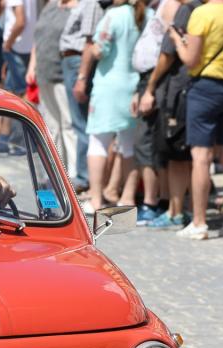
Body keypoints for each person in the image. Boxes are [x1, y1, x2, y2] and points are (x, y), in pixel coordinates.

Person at [168, 0, 223, 239]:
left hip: (205, 87)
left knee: (201, 157)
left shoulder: (202, 14)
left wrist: (177, 40)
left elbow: (191, 59)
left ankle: (199, 222)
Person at [139, 0, 200, 230]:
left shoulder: (185, 10)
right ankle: (191, 211)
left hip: (179, 88)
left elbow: (168, 54)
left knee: (177, 156)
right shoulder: (201, 9)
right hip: (194, 87)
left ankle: (176, 212)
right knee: (193, 157)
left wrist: (151, 86)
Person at [81, 0, 145, 213]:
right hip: (135, 86)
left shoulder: (113, 15)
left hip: (109, 86)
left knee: (98, 142)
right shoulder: (150, 15)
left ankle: (96, 199)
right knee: (128, 145)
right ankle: (127, 197)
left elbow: (100, 50)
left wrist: (91, 48)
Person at [29, 0, 79, 187]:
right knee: (52, 125)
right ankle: (57, 170)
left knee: (68, 125)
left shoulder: (79, 8)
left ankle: (74, 175)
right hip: (44, 73)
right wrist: (32, 65)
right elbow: (38, 37)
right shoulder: (50, 6)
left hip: (63, 76)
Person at [59, 0, 104, 193]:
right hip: (71, 60)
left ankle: (84, 177)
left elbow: (89, 42)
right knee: (77, 122)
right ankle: (83, 175)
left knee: (81, 123)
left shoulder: (91, 4)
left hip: (78, 62)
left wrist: (82, 77)